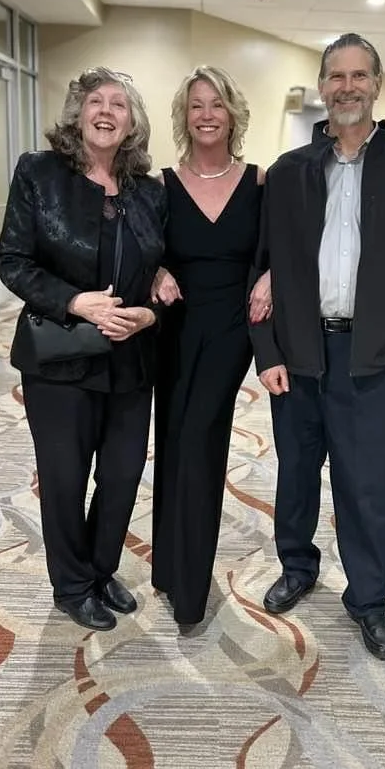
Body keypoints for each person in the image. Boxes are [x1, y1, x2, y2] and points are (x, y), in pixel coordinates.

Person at [251, 34, 385, 660]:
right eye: (336, 76)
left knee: (367, 486)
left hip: (373, 361)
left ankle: (368, 600)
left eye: (359, 75)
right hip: (300, 354)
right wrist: (269, 353)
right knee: (295, 472)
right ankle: (297, 566)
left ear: (377, 84)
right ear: (322, 87)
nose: (347, 86)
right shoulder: (288, 173)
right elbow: (259, 273)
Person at [0, 68, 166, 631]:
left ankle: (100, 569)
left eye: (120, 104)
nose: (107, 111)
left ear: (132, 121)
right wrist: (76, 302)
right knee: (65, 478)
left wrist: (151, 308)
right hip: (62, 355)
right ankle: (71, 586)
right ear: (78, 112)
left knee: (120, 477)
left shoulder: (149, 192)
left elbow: (165, 265)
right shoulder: (39, 173)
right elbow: (12, 261)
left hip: (130, 359)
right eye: (96, 100)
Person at [150, 66, 271, 625]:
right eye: (196, 105)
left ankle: (191, 589)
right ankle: (168, 570)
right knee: (172, 438)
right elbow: (140, 249)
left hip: (231, 327)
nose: (206, 114)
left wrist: (270, 277)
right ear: (184, 116)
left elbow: (280, 249)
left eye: (216, 104)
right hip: (174, 325)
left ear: (232, 115)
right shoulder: (160, 185)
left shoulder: (260, 181)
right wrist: (155, 271)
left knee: (201, 438)